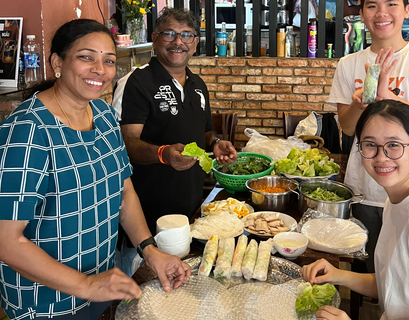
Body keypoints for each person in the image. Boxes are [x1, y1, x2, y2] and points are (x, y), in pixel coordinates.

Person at [0, 19, 190, 320]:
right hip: (46, 305)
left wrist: (149, 250)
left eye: (109, 60)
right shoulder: (27, 131)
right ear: (57, 63)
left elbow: (124, 190)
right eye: (86, 57)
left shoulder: (101, 115)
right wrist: (85, 284)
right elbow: (6, 241)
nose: (100, 70)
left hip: (102, 286)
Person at [302, 100, 409, 320]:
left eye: (394, 145)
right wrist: (337, 275)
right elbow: (391, 285)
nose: (381, 157)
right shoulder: (395, 203)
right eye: (370, 144)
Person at [327, 0, 409, 273]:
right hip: (364, 191)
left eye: (391, 3)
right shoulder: (349, 64)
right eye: (372, 5)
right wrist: (360, 105)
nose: (382, 13)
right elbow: (348, 127)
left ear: (407, 10)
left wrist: (390, 99)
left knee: (407, 280)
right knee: (369, 275)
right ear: (362, 13)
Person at [112, 8, 237, 241]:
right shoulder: (136, 82)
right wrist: (164, 154)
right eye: (169, 33)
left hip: (190, 208)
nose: (178, 42)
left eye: (186, 34)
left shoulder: (198, 84)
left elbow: (206, 131)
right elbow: (124, 144)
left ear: (195, 42)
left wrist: (217, 143)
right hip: (145, 216)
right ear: (155, 38)